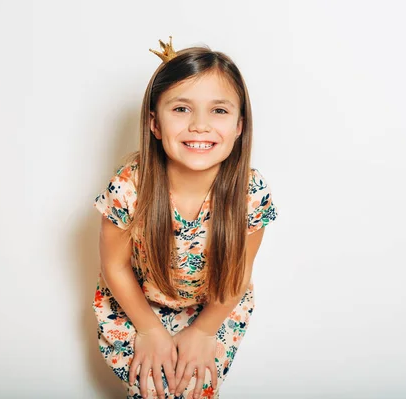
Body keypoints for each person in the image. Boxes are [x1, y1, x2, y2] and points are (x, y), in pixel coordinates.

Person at [92, 36, 279, 399]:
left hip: (213, 306)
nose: (199, 125)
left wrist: (204, 331)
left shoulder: (250, 193)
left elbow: (239, 274)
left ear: (239, 127)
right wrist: (148, 330)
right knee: (154, 387)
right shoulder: (130, 184)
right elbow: (114, 265)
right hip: (136, 304)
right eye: (181, 109)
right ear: (155, 124)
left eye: (219, 111)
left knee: (194, 386)